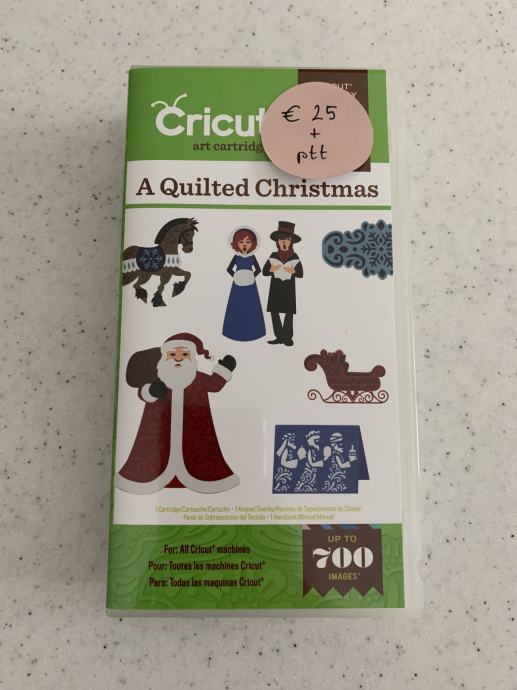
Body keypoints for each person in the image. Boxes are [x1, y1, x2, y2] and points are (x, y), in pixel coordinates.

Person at [115, 333, 239, 495]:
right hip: (159, 431)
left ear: (192, 358)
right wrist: (152, 391)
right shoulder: (159, 379)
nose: (178, 358)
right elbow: (143, 393)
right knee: (156, 453)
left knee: (197, 453)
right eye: (173, 354)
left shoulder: (197, 379)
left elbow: (213, 385)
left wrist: (224, 369)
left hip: (194, 428)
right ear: (164, 357)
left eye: (185, 354)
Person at [262, 221, 303, 346]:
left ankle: (287, 337)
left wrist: (293, 271)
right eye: (281, 240)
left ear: (291, 242)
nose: (284, 242)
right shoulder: (273, 255)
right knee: (274, 312)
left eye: (287, 240)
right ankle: (279, 336)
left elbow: (301, 273)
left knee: (289, 313)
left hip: (288, 288)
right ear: (277, 242)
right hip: (275, 287)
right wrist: (271, 269)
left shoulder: (294, 256)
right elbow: (264, 272)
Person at [222, 227, 266, 341]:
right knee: (236, 306)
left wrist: (251, 276)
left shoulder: (252, 257)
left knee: (251, 306)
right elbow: (229, 269)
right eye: (241, 242)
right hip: (237, 285)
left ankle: (254, 331)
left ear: (253, 244)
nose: (245, 245)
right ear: (236, 244)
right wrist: (236, 276)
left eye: (248, 242)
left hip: (250, 286)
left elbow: (258, 269)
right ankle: (233, 331)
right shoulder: (236, 257)